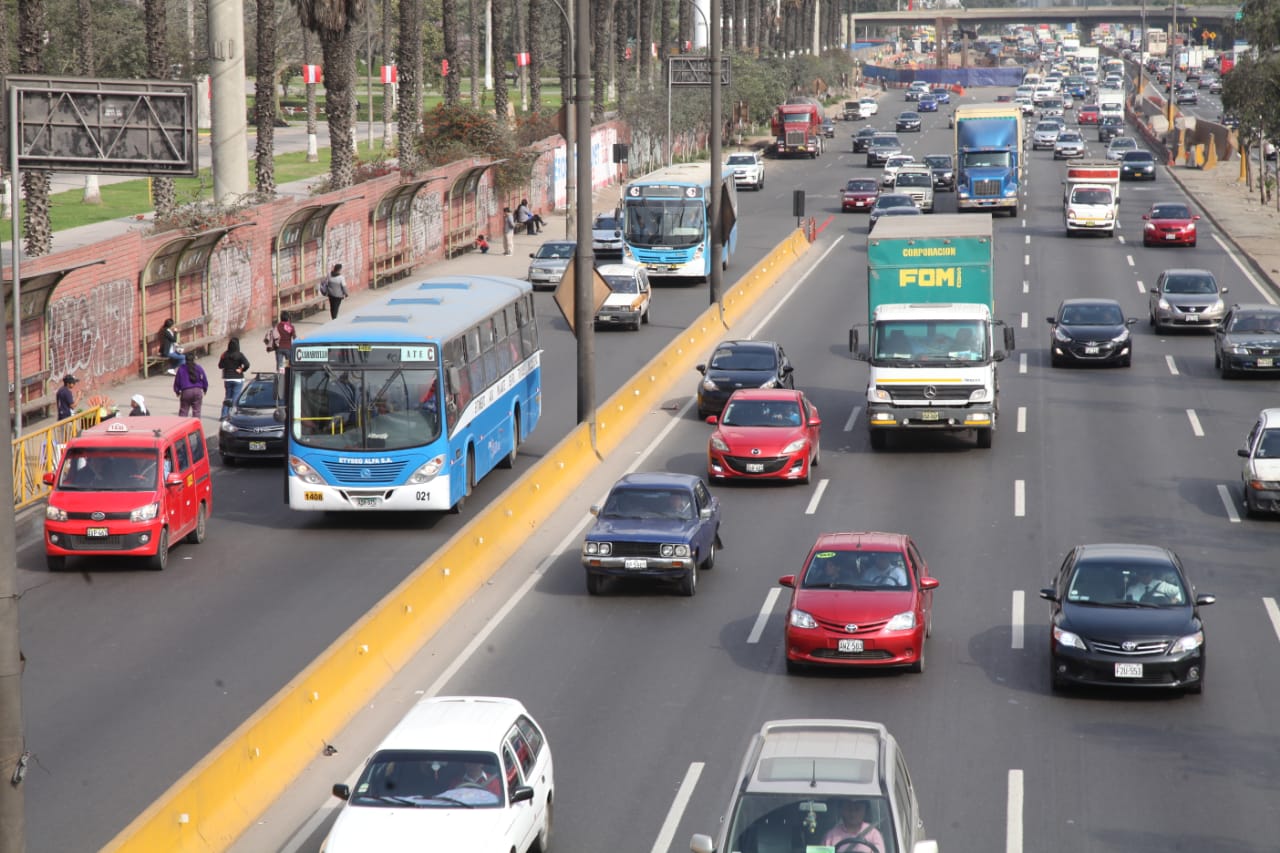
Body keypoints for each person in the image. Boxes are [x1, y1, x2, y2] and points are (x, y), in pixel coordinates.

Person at [217, 337, 251, 418]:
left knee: (228, 397)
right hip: (238, 378)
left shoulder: (224, 355)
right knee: (235, 397)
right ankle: (232, 415)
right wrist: (242, 369)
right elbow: (247, 364)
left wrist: (227, 365)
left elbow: (220, 366)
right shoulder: (239, 355)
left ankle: (223, 415)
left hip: (227, 378)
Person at [173, 352, 209, 419]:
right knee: (196, 412)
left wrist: (177, 391)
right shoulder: (199, 368)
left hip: (186, 392)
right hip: (197, 391)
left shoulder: (181, 369)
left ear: (185, 359)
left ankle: (182, 428)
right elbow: (204, 379)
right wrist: (205, 389)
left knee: (183, 411)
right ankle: (196, 428)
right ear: (194, 359)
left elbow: (177, 381)